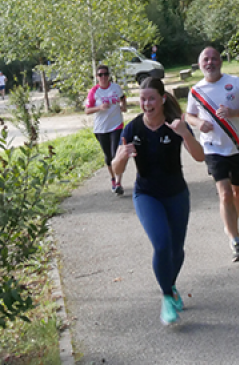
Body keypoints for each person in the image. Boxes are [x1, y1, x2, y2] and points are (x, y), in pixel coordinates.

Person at [112, 77, 204, 325]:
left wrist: (186, 134)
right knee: (161, 245)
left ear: (162, 99)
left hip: (176, 194)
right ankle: (166, 296)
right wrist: (121, 157)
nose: (147, 103)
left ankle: (170, 284)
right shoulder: (132, 129)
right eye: (143, 99)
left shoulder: (175, 126)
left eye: (151, 98)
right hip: (147, 194)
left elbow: (199, 157)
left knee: (177, 250)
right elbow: (116, 169)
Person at [186, 47, 239, 262]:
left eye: (214, 59)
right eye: (205, 59)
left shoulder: (235, 83)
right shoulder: (196, 90)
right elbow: (189, 115)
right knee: (225, 193)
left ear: (220, 62)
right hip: (212, 149)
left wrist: (234, 112)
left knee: (237, 192)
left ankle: (231, 226)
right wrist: (199, 123)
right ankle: (235, 239)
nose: (210, 63)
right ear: (200, 64)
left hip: (237, 147)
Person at [85, 65, 127, 195]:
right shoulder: (94, 92)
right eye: (100, 75)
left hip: (116, 125)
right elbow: (87, 110)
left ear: (109, 75)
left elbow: (123, 98)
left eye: (105, 74)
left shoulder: (115, 88)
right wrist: (99, 108)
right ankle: (113, 178)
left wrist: (123, 106)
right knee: (108, 156)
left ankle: (119, 183)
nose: (103, 77)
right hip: (101, 128)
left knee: (116, 154)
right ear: (97, 77)